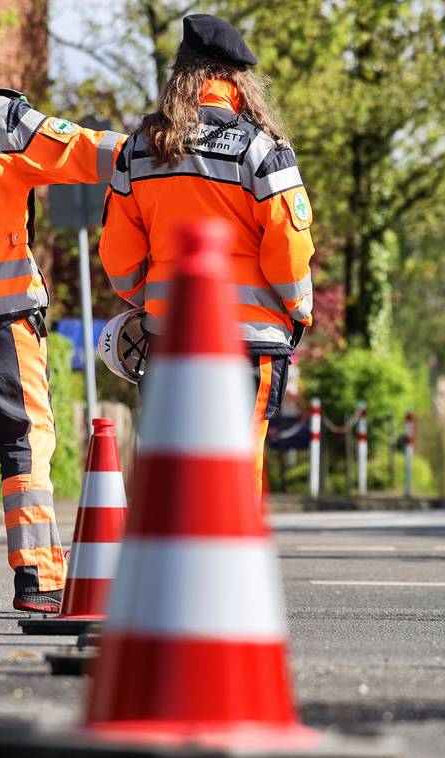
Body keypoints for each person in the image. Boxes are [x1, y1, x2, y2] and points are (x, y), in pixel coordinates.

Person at [0, 13, 125, 612]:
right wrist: (160, 150)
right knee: (23, 442)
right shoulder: (2, 118)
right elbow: (93, 153)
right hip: (0, 313)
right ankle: (38, 578)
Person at [99, 13, 314, 501]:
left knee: (171, 469)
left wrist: (151, 300)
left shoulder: (139, 150)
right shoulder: (262, 150)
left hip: (169, 337)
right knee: (236, 467)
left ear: (181, 73)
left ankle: (166, 573)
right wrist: (298, 308)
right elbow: (288, 248)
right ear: (236, 78)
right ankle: (228, 575)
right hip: (249, 338)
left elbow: (119, 256)